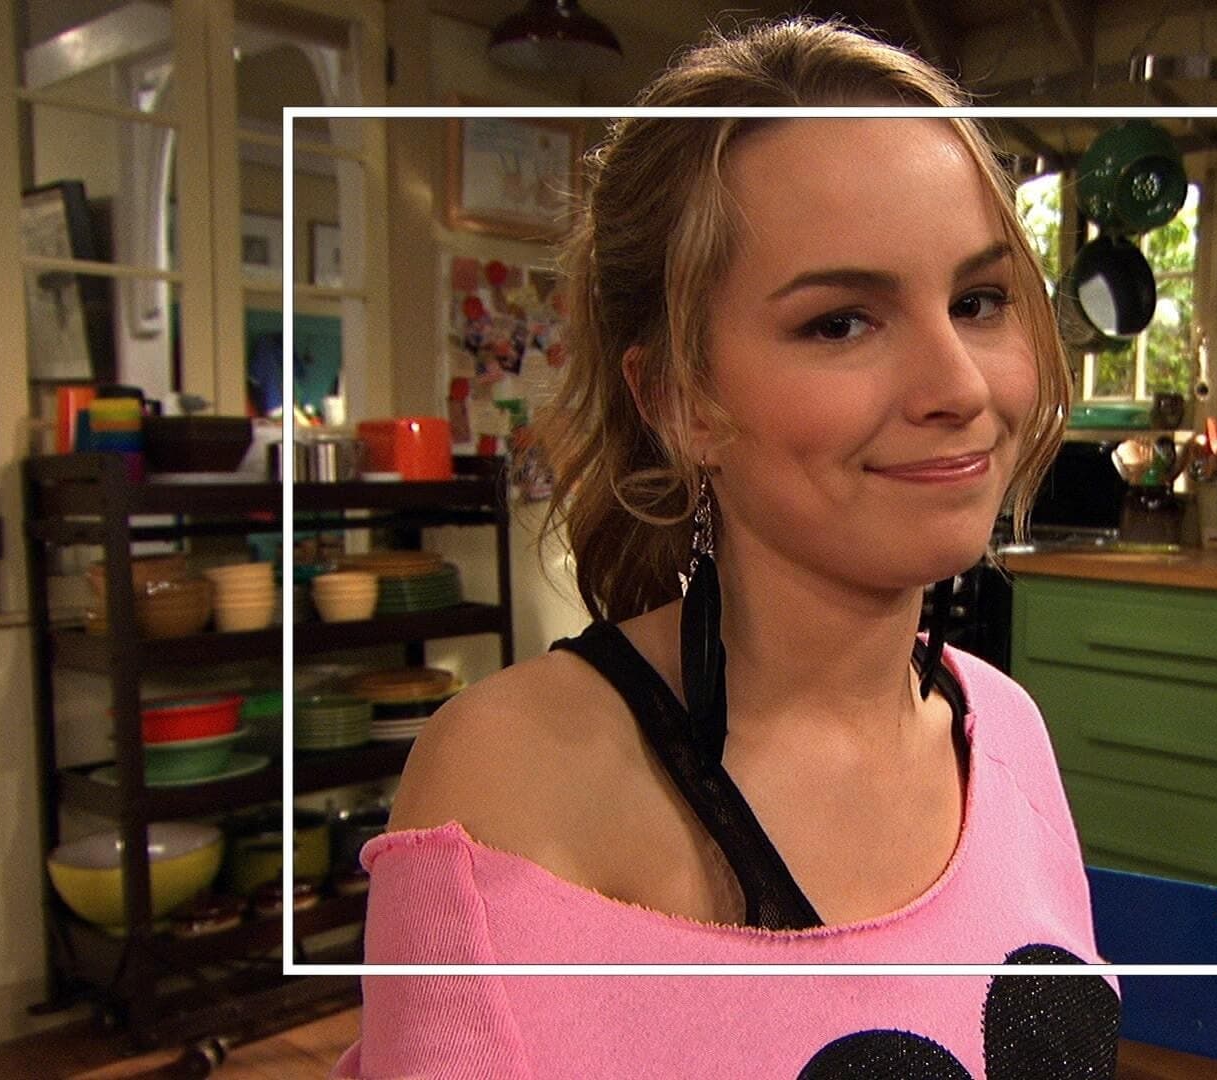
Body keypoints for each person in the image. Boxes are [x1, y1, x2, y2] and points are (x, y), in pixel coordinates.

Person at [334, 19, 1121, 1079]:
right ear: (677, 398)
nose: (961, 387)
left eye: (977, 302)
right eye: (841, 322)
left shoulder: (1006, 732)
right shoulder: (510, 789)